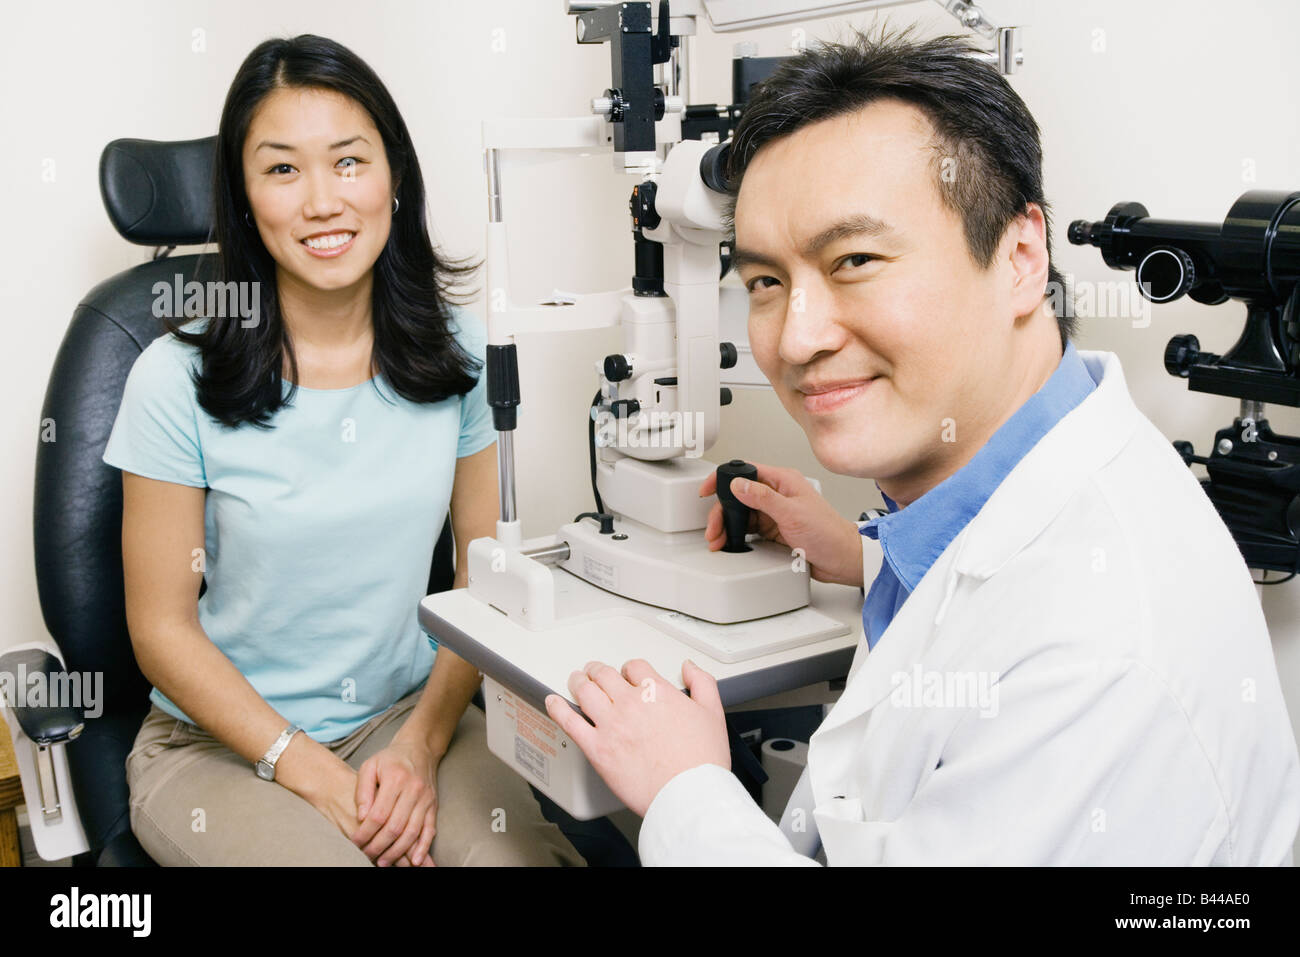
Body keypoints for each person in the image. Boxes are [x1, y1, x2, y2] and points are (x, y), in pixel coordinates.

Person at [544, 28, 1300, 865]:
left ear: (1019, 256)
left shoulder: (1104, 659)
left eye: (856, 258)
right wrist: (872, 558)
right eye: (765, 281)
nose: (796, 338)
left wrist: (687, 793)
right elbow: (987, 596)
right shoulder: (1028, 485)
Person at [105, 34, 583, 867]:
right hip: (219, 745)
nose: (322, 200)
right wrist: (310, 769)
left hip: (410, 714)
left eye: (349, 162)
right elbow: (160, 629)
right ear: (245, 198)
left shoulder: (460, 359)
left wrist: (422, 746)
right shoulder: (171, 381)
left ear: (394, 177)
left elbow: (482, 585)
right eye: (282, 169)